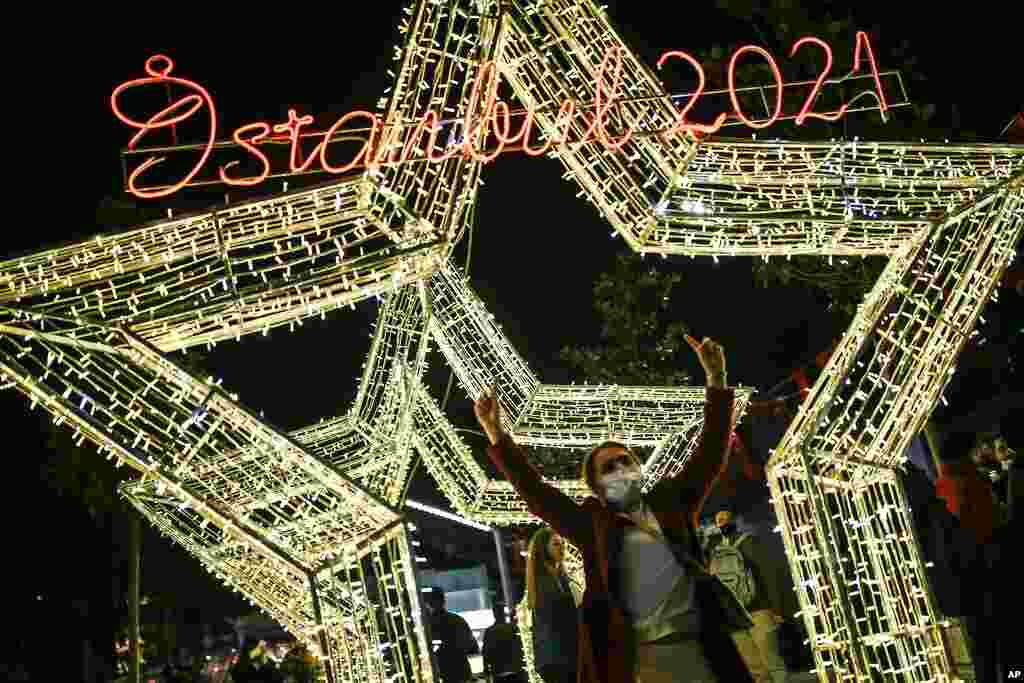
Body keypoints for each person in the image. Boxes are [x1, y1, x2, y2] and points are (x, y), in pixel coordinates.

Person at [475, 334, 754, 683]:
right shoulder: (592, 525)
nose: (620, 469)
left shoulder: (671, 501)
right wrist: (495, 433)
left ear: (638, 468)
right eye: (608, 467)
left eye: (626, 460)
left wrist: (716, 380)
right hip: (644, 660)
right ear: (596, 486)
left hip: (703, 648)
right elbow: (537, 494)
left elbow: (711, 452)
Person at [704, 510, 788, 683]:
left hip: (735, 613)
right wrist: (776, 608)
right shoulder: (750, 542)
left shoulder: (715, 551)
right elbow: (768, 574)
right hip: (757, 609)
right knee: (772, 663)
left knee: (757, 670)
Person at [525, 528, 578, 683]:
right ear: (543, 549)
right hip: (559, 658)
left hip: (552, 658)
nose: (562, 548)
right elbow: (562, 617)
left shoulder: (554, 577)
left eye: (562, 544)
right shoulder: (546, 581)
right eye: (556, 544)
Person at [423, 587, 479, 683]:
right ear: (444, 601)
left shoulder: (427, 626)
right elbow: (473, 647)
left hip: (442, 674)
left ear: (429, 603)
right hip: (462, 672)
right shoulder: (458, 620)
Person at [482, 605, 527, 683]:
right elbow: (522, 648)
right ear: (504, 614)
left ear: (494, 614)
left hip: (499, 672)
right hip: (516, 670)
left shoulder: (489, 631)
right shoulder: (514, 628)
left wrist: (486, 672)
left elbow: (486, 653)